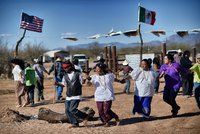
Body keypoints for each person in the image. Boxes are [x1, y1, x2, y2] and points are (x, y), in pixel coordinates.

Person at [56, 61, 88, 128]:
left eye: (66, 67)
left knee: (72, 109)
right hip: (69, 95)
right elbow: (63, 84)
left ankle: (85, 116)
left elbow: (82, 82)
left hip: (76, 95)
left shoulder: (77, 74)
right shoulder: (65, 75)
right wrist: (57, 83)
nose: (65, 69)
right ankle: (74, 123)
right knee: (67, 111)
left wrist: (86, 78)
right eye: (64, 68)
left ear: (70, 67)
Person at [87, 63, 120, 127]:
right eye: (96, 69)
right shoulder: (94, 77)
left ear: (103, 69)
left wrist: (120, 81)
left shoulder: (109, 75)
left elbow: (114, 79)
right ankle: (106, 122)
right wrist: (88, 79)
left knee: (106, 110)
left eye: (98, 69)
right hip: (99, 95)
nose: (97, 70)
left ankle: (116, 117)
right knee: (100, 111)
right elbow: (88, 84)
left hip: (108, 95)